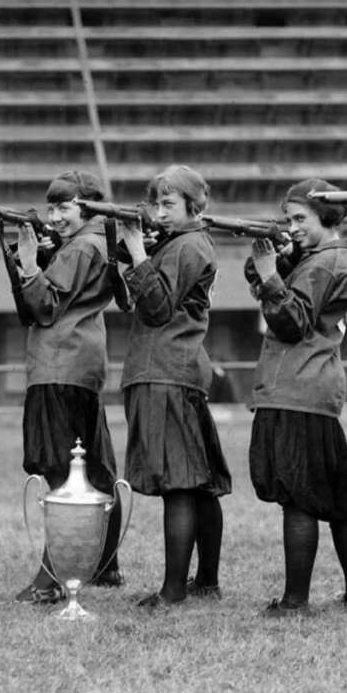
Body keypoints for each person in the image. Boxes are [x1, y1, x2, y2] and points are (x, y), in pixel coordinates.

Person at [246, 179, 347, 618]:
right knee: (336, 497)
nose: (292, 227)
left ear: (328, 218)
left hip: (298, 389)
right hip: (312, 389)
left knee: (298, 498)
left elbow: (290, 322)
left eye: (301, 219)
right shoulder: (324, 257)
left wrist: (268, 273)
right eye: (289, 218)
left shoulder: (325, 262)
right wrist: (270, 264)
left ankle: (295, 601)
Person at [120, 165, 232, 607]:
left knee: (180, 485)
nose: (158, 212)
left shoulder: (187, 245)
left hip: (166, 369)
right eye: (156, 203)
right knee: (197, 482)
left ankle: (172, 591)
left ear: (194, 206)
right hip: (175, 369)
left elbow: (158, 307)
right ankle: (206, 580)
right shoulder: (180, 243)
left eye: (169, 204)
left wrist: (137, 253)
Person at [12, 170, 124, 604]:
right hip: (81, 364)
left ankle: (53, 577)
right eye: (51, 207)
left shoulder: (80, 247)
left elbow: (44, 305)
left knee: (61, 474)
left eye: (63, 207)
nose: (54, 216)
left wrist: (27, 263)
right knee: (94, 469)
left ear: (90, 207)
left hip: (58, 365)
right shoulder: (94, 243)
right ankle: (103, 563)